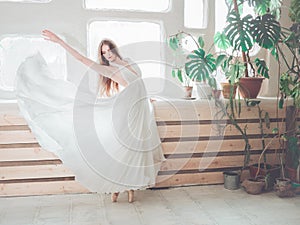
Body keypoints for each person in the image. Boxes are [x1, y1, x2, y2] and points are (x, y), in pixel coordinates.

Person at [16, 30, 165, 203]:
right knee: (125, 146)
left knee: (137, 146)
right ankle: (118, 186)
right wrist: (59, 42)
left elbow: (139, 83)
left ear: (115, 50)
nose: (107, 55)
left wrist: (147, 97)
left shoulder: (130, 62)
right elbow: (81, 59)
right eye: (103, 53)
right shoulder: (109, 69)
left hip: (141, 107)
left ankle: (131, 186)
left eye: (109, 50)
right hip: (128, 109)